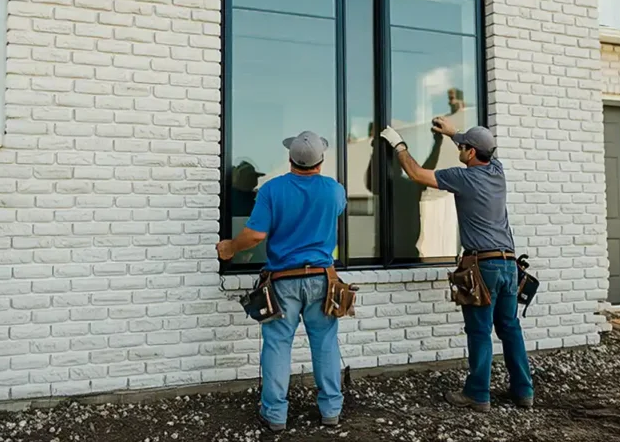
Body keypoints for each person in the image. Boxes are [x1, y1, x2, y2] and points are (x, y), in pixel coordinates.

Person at [378, 118, 534, 413]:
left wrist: (399, 145)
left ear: (471, 154)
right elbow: (480, 147)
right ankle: (523, 391)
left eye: (463, 147)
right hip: (509, 264)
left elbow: (415, 173)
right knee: (510, 327)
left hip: (483, 266)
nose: (459, 149)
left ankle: (478, 394)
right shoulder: (498, 172)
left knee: (479, 331)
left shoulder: (464, 178)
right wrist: (452, 133)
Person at [217, 131, 347, 432]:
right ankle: (331, 411)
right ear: (321, 160)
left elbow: (255, 235)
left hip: (283, 280)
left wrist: (229, 248)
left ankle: (275, 415)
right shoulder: (334, 190)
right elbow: (334, 211)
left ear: (290, 159)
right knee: (325, 343)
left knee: (277, 345)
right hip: (321, 280)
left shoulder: (272, 190)